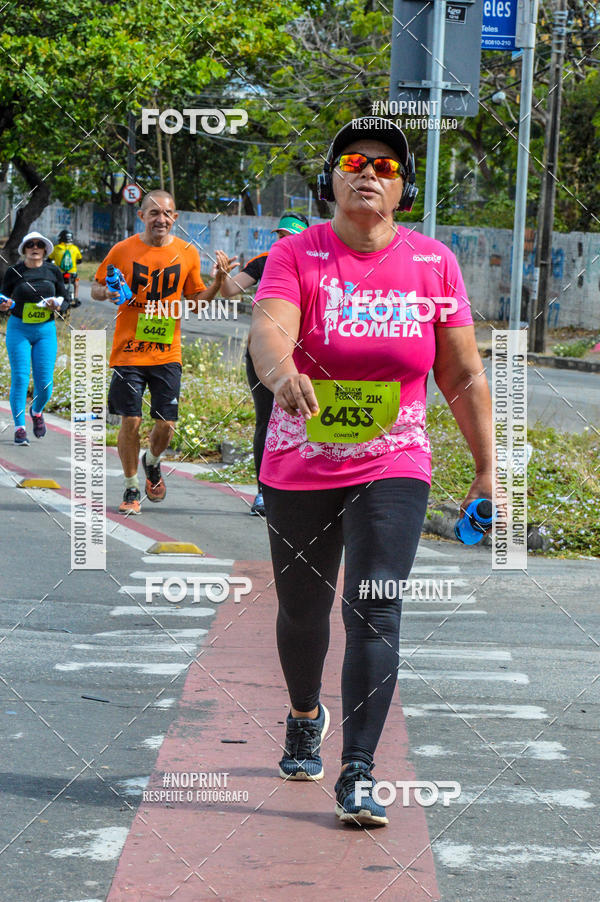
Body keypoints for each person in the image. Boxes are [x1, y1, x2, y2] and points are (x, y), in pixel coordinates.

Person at [249, 117, 492, 826]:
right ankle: (304, 712)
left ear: (403, 190)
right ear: (330, 178)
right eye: (354, 160)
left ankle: (358, 771)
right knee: (302, 609)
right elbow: (269, 328)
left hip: (395, 458)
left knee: (375, 605)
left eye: (386, 167)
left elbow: (462, 372)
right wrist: (283, 372)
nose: (368, 172)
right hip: (300, 458)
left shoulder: (434, 264)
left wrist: (487, 467)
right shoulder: (298, 254)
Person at [92, 189, 234, 515]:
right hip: (128, 351)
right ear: (141, 216)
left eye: (167, 213)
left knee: (166, 424)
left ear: (175, 218)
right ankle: (130, 487)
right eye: (154, 213)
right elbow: (97, 287)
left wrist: (217, 283)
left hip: (167, 352)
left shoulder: (187, 253)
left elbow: (197, 303)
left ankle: (152, 462)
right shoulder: (122, 250)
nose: (161, 219)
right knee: (130, 420)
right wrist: (108, 293)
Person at [219, 212, 309, 516]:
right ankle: (262, 492)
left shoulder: (319, 262)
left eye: (292, 237)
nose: (286, 242)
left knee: (309, 421)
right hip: (264, 354)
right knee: (267, 419)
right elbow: (230, 290)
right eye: (282, 236)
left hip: (305, 355)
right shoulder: (266, 260)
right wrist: (222, 274)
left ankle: (302, 489)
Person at [0, 231, 68, 445]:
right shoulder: (14, 272)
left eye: (40, 244)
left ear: (46, 249)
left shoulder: (53, 271)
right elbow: (3, 298)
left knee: (45, 384)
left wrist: (58, 305)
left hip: (45, 331)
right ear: (24, 249)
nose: (35, 248)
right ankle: (20, 428)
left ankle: (36, 411)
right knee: (20, 378)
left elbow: (65, 300)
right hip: (18, 328)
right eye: (30, 244)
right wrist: (3, 306)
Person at [49, 229, 83, 306]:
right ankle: (76, 298)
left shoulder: (56, 248)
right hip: (72, 273)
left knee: (53, 283)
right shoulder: (75, 248)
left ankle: (53, 298)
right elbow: (80, 260)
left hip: (59, 272)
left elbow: (49, 259)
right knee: (76, 283)